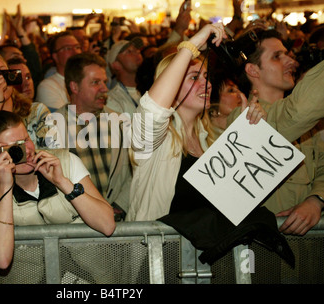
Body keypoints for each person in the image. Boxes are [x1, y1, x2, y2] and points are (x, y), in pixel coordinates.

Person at [125, 23, 295, 266]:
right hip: (156, 262)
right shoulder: (153, 142)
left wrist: (253, 133)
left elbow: (236, 200)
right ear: (171, 87)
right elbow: (153, 109)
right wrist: (192, 44)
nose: (205, 84)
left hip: (206, 265)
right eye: (194, 77)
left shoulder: (213, 141)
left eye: (206, 77)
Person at [0, 110, 115, 269]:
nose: (26, 151)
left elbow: (107, 225)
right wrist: (5, 187)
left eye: (26, 140)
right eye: (13, 148)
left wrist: (62, 182)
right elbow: (1, 260)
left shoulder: (65, 162)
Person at [235, 28, 324, 235]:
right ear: (253, 70)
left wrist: (315, 200)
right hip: (265, 252)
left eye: (287, 54)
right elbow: (297, 111)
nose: (290, 61)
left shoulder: (307, 125)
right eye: (277, 57)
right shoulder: (241, 118)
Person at [53, 52, 133, 220]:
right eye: (96, 82)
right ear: (74, 87)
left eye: (104, 81)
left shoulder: (120, 122)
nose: (105, 88)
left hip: (119, 224)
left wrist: (119, 206)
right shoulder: (52, 127)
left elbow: (135, 169)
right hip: (75, 225)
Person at [35, 31, 82, 112]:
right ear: (55, 56)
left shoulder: (86, 80)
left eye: (77, 47)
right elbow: (65, 121)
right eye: (68, 48)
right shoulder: (48, 86)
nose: (75, 52)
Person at [105, 38, 143, 115]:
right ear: (116, 65)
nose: (137, 52)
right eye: (129, 51)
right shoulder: (112, 100)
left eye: (136, 50)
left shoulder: (150, 86)